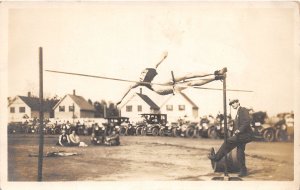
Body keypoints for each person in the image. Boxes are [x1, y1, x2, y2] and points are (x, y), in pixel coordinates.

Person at [116, 51, 227, 105]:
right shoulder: (141, 78)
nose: (141, 74)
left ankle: (216, 75)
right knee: (188, 80)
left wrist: (164, 55)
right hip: (158, 87)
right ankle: (216, 76)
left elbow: (159, 59)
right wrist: (121, 99)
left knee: (188, 77)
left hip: (162, 83)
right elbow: (130, 86)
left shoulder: (150, 68)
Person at [208, 99, 253, 177]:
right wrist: (234, 133)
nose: (232, 105)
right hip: (240, 136)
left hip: (245, 135)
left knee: (227, 142)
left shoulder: (243, 110)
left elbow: (247, 121)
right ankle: (243, 171)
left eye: (233, 103)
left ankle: (216, 158)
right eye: (231, 104)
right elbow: (237, 125)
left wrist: (239, 130)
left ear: (238, 102)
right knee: (240, 153)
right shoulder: (237, 113)